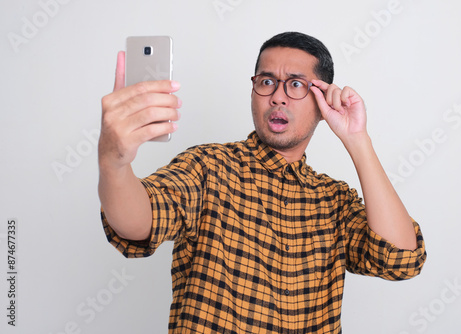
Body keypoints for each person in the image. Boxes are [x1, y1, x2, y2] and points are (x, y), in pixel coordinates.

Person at [98, 31, 426, 333]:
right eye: (267, 81)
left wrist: (357, 139)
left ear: (322, 99)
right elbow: (138, 223)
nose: (278, 97)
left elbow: (402, 259)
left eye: (296, 84)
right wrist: (113, 163)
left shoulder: (334, 200)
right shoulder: (208, 167)